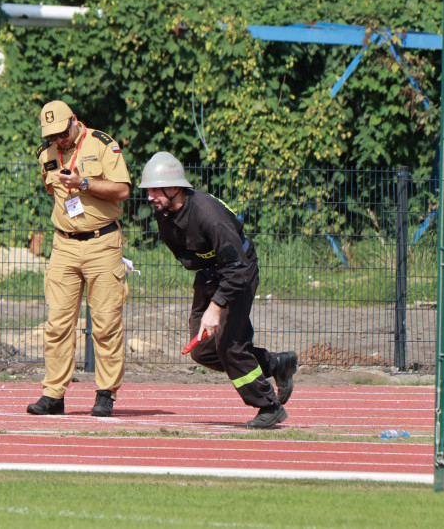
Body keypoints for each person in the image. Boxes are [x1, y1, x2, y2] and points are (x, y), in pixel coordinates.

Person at [139, 151, 298, 429]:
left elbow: (236, 268)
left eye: (154, 190)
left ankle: (269, 406)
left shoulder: (208, 215)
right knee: (203, 351)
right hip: (209, 275)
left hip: (239, 271)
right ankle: (274, 364)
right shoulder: (165, 213)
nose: (150, 196)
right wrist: (208, 290)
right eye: (148, 190)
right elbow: (188, 256)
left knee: (230, 345)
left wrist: (216, 306)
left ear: (174, 187)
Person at [27, 100, 131, 417]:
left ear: (74, 121)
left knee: (106, 323)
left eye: (62, 132)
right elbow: (52, 191)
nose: (59, 140)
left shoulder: (102, 143)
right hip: (64, 245)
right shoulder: (46, 156)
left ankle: (105, 393)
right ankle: (53, 395)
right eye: (52, 136)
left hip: (102, 242)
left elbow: (123, 190)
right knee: (57, 324)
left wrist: (83, 183)